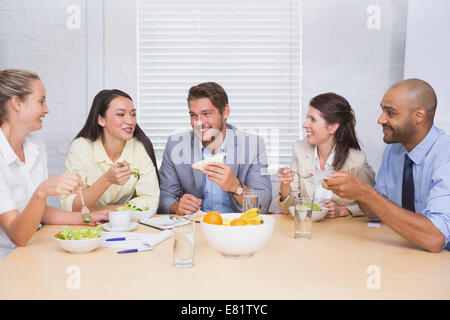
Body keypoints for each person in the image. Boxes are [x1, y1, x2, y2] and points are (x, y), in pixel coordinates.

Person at [324, 79, 450, 252]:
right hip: (410, 250)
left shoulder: (445, 157)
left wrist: (364, 192)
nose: (380, 119)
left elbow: (435, 238)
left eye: (390, 113)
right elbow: (375, 211)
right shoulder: (395, 150)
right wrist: (356, 189)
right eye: (382, 110)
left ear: (419, 115)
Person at [0, 69, 109, 260]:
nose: (47, 109)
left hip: (33, 248)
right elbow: (18, 237)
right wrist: (42, 191)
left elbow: (38, 212)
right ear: (17, 103)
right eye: (41, 102)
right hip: (7, 259)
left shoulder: (35, 146)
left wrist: (86, 219)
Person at [158, 82, 272, 215]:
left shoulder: (253, 145)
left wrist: (236, 187)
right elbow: (163, 198)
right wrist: (177, 207)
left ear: (225, 112)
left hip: (237, 227)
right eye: (193, 115)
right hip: (196, 226)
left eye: (206, 114)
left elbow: (262, 205)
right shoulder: (175, 145)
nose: (198, 123)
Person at [277, 92, 375, 218]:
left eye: (312, 119)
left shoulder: (357, 160)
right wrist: (285, 184)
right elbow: (287, 209)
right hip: (308, 228)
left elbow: (374, 205)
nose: (305, 124)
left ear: (332, 127)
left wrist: (343, 211)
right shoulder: (300, 150)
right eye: (307, 118)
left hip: (340, 233)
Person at [60, 89, 160, 213]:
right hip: (87, 226)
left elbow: (150, 202)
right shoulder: (81, 148)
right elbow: (71, 206)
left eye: (133, 114)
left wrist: (100, 210)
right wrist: (106, 180)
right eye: (120, 114)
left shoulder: (139, 148)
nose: (130, 121)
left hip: (128, 225)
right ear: (101, 120)